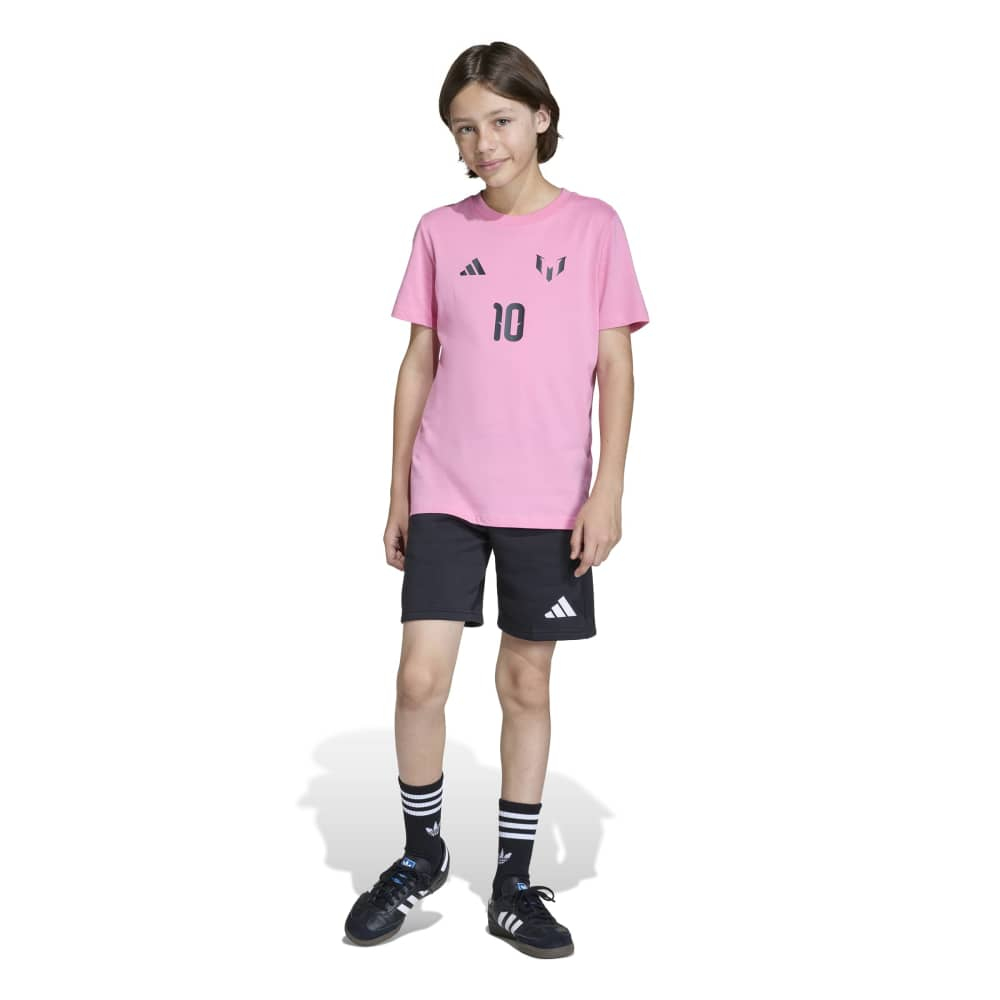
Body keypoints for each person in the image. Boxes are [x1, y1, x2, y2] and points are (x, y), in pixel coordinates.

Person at [344, 40, 649, 959]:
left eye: (501, 121)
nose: (484, 144)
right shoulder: (440, 231)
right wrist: (398, 487)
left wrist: (608, 489)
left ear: (541, 117)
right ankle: (421, 853)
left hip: (548, 499)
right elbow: (419, 362)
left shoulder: (595, 226)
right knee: (420, 678)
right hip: (447, 485)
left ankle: (514, 879)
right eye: (464, 129)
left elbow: (616, 366)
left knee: (525, 681)